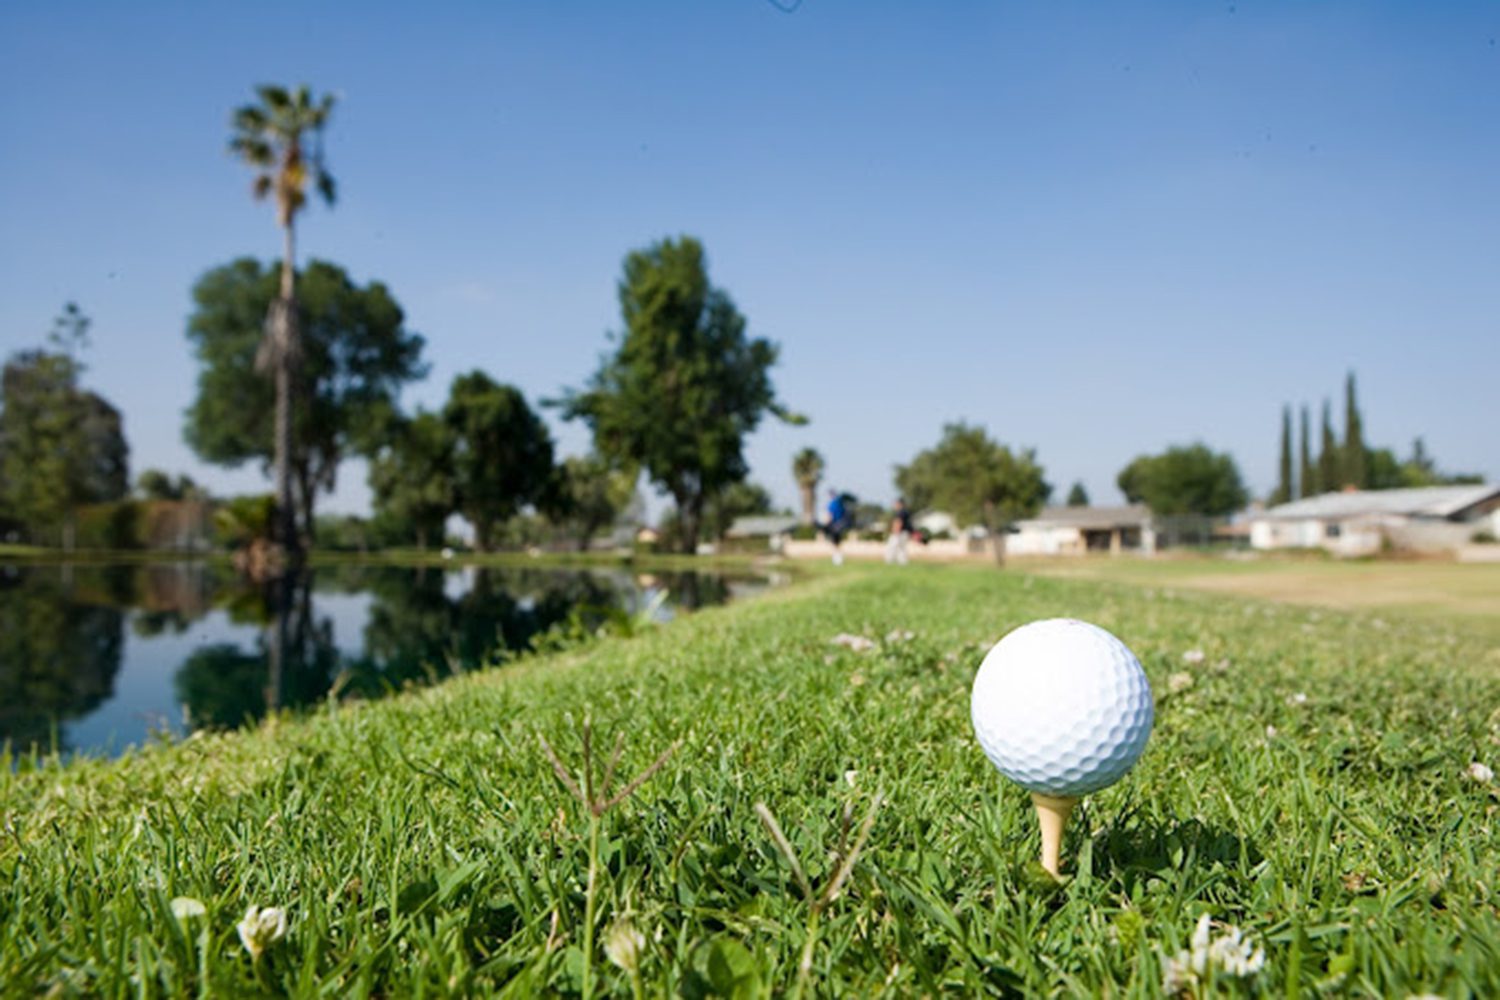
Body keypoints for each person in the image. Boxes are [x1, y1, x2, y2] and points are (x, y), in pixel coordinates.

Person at [823, 489, 851, 565]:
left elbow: (829, 516)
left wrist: (825, 526)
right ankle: (838, 558)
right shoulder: (839, 503)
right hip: (841, 525)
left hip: (834, 526)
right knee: (837, 543)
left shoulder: (831, 504)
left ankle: (837, 559)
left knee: (834, 543)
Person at [885, 497, 913, 565]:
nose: (894, 505)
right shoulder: (905, 512)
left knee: (892, 547)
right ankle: (903, 563)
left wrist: (895, 531)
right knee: (902, 548)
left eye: (895, 504)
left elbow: (898, 522)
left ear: (899, 504)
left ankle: (889, 561)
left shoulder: (901, 512)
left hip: (900, 533)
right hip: (905, 533)